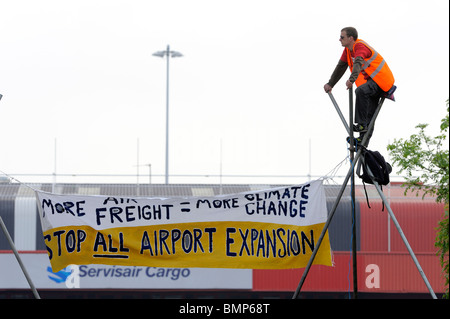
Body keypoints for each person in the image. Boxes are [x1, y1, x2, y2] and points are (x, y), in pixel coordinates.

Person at [324, 27, 396, 143]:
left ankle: (361, 125)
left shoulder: (359, 46)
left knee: (361, 91)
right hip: (372, 81)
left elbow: (358, 61)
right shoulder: (348, 50)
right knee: (369, 114)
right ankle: (363, 143)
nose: (339, 39)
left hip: (380, 80)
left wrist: (352, 79)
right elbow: (340, 67)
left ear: (351, 38)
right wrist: (330, 83)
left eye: (342, 37)